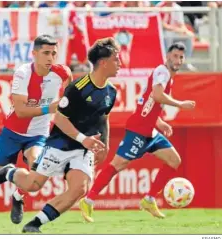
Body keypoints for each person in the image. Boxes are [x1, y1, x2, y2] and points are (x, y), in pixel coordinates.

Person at [0, 37, 121, 233]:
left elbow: (104, 117)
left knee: (79, 189)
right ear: (103, 62)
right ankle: (9, 173)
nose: (120, 64)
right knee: (33, 184)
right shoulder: (77, 89)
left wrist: (105, 143)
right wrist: (84, 139)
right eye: (116, 59)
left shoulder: (111, 91)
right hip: (61, 144)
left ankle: (34, 225)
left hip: (84, 149)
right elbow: (59, 119)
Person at [0, 34, 72, 233]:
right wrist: (52, 107)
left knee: (38, 174)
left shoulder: (62, 73)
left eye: (54, 54)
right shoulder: (23, 73)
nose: (50, 58)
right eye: (46, 53)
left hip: (38, 135)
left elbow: (68, 93)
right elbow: (21, 111)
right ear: (34, 54)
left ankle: (18, 196)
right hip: (12, 133)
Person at [79, 42, 196, 222]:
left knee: (174, 160)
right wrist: (181, 104)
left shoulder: (167, 77)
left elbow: (148, 104)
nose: (178, 60)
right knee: (118, 165)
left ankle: (149, 200)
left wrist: (160, 122)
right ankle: (88, 200)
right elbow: (157, 95)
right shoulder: (162, 72)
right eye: (174, 56)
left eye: (181, 57)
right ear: (167, 56)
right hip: (139, 129)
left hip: (150, 130)